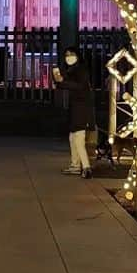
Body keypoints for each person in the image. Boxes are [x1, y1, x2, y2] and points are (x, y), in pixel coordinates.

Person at [51, 47, 94, 178]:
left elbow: (79, 85)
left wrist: (61, 82)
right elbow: (68, 83)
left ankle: (86, 167)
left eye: (71, 54)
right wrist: (59, 82)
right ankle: (75, 165)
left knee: (78, 137)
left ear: (78, 56)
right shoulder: (72, 70)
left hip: (81, 107)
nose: (68, 57)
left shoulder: (81, 69)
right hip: (75, 107)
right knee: (72, 137)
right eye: (66, 55)